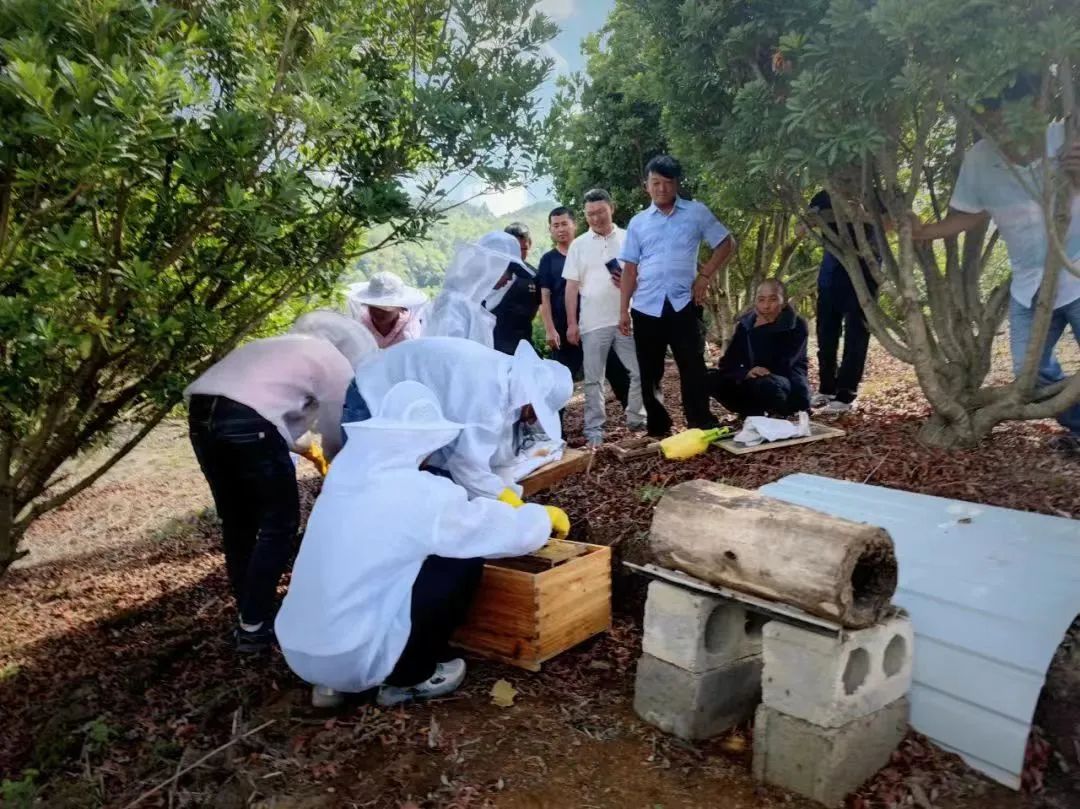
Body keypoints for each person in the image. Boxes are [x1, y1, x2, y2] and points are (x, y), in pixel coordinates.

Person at [275, 381, 554, 709]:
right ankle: (409, 676)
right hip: (356, 657)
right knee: (459, 560)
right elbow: (499, 534)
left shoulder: (343, 478)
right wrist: (541, 519)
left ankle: (332, 687)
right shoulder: (420, 493)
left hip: (300, 650)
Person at [911, 74, 1080, 458]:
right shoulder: (980, 159)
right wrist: (924, 233)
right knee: (1030, 375)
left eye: (1006, 117)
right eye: (989, 119)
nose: (999, 128)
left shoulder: (1067, 140)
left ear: (1037, 107)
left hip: (1077, 270)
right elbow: (968, 214)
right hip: (1030, 285)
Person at [185, 334, 355, 652]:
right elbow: (335, 432)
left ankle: (251, 615)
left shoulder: (283, 347)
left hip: (201, 413)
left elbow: (285, 428)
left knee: (238, 522)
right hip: (248, 419)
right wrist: (341, 472)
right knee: (279, 523)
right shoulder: (336, 364)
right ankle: (254, 624)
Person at [353, 337, 574, 501]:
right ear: (531, 398)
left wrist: (513, 497)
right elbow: (467, 465)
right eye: (537, 413)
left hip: (403, 411)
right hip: (371, 397)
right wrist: (508, 504)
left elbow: (498, 459)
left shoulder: (508, 383)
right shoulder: (487, 391)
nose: (534, 422)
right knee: (374, 497)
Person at [619, 155, 735, 437]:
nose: (661, 188)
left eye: (667, 182)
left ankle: (700, 421)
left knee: (693, 365)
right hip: (646, 306)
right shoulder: (638, 223)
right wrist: (623, 309)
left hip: (684, 303)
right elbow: (630, 269)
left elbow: (726, 243)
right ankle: (658, 427)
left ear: (676, 184)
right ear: (646, 185)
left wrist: (704, 276)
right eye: (655, 182)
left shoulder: (696, 212)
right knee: (650, 372)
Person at [563, 188, 647, 446]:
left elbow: (645, 276)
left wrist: (631, 283)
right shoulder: (578, 245)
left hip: (627, 319)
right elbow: (571, 287)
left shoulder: (629, 237)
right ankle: (594, 430)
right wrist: (572, 323)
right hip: (592, 323)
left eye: (600, 211)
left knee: (640, 371)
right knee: (593, 380)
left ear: (612, 208)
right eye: (590, 214)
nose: (596, 218)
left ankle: (636, 419)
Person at [536, 205, 632, 414]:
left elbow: (615, 280)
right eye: (555, 225)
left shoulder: (590, 249)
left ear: (574, 224)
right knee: (561, 380)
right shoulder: (548, 260)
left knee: (618, 372)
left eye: (564, 224)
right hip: (565, 331)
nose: (560, 229)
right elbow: (545, 297)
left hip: (598, 323)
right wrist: (550, 329)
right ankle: (556, 429)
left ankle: (635, 416)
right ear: (550, 230)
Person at [805, 187, 886, 414]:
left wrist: (861, 215)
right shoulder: (823, 196)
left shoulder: (874, 192)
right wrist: (817, 219)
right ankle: (827, 388)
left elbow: (892, 223)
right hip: (831, 273)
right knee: (825, 333)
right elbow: (802, 226)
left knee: (856, 334)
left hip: (865, 274)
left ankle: (845, 394)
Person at [707, 280, 810, 417]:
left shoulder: (797, 325)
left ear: (784, 302)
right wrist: (746, 372)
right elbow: (727, 363)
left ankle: (778, 414)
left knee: (765, 382)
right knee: (708, 377)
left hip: (785, 385)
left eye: (773, 300)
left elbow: (780, 364)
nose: (766, 306)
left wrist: (761, 331)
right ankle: (750, 413)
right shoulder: (746, 324)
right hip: (752, 380)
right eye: (761, 300)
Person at [421, 233, 523, 349]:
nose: (510, 278)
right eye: (508, 271)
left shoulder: (472, 303)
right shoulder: (453, 305)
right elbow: (446, 355)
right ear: (493, 266)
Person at [487, 223, 541, 355]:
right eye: (513, 250)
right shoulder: (488, 272)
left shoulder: (534, 276)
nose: (517, 255)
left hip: (522, 345)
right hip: (492, 344)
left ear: (530, 245)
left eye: (522, 249)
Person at [346, 271, 426, 348]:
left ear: (400, 307)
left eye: (385, 309)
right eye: (374, 307)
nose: (378, 312)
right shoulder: (360, 323)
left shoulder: (410, 330)